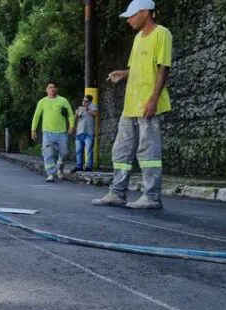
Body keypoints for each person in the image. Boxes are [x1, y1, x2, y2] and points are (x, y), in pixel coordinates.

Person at [92, 0, 172, 209]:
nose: (128, 20)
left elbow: (163, 68)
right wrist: (123, 73)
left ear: (145, 12)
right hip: (131, 105)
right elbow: (138, 68)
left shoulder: (161, 33)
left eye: (132, 15)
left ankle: (152, 197)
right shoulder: (138, 38)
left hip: (148, 103)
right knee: (121, 150)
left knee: (148, 152)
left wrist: (154, 99)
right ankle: (117, 193)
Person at [31, 81, 75, 182]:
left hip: (61, 133)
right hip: (47, 132)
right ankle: (50, 174)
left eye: (54, 87)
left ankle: (59, 167)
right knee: (47, 153)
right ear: (46, 90)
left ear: (57, 89)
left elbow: (70, 114)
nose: (52, 89)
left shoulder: (63, 101)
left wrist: (71, 126)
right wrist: (33, 129)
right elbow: (36, 116)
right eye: (50, 87)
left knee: (64, 153)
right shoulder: (42, 102)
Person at [71, 95, 97, 173]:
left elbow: (95, 114)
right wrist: (76, 113)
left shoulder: (93, 106)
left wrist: (86, 109)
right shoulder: (80, 108)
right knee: (78, 150)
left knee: (89, 150)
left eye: (86, 101)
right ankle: (79, 166)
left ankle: (89, 166)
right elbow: (75, 117)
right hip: (79, 132)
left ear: (90, 102)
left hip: (89, 132)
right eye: (83, 100)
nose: (84, 102)